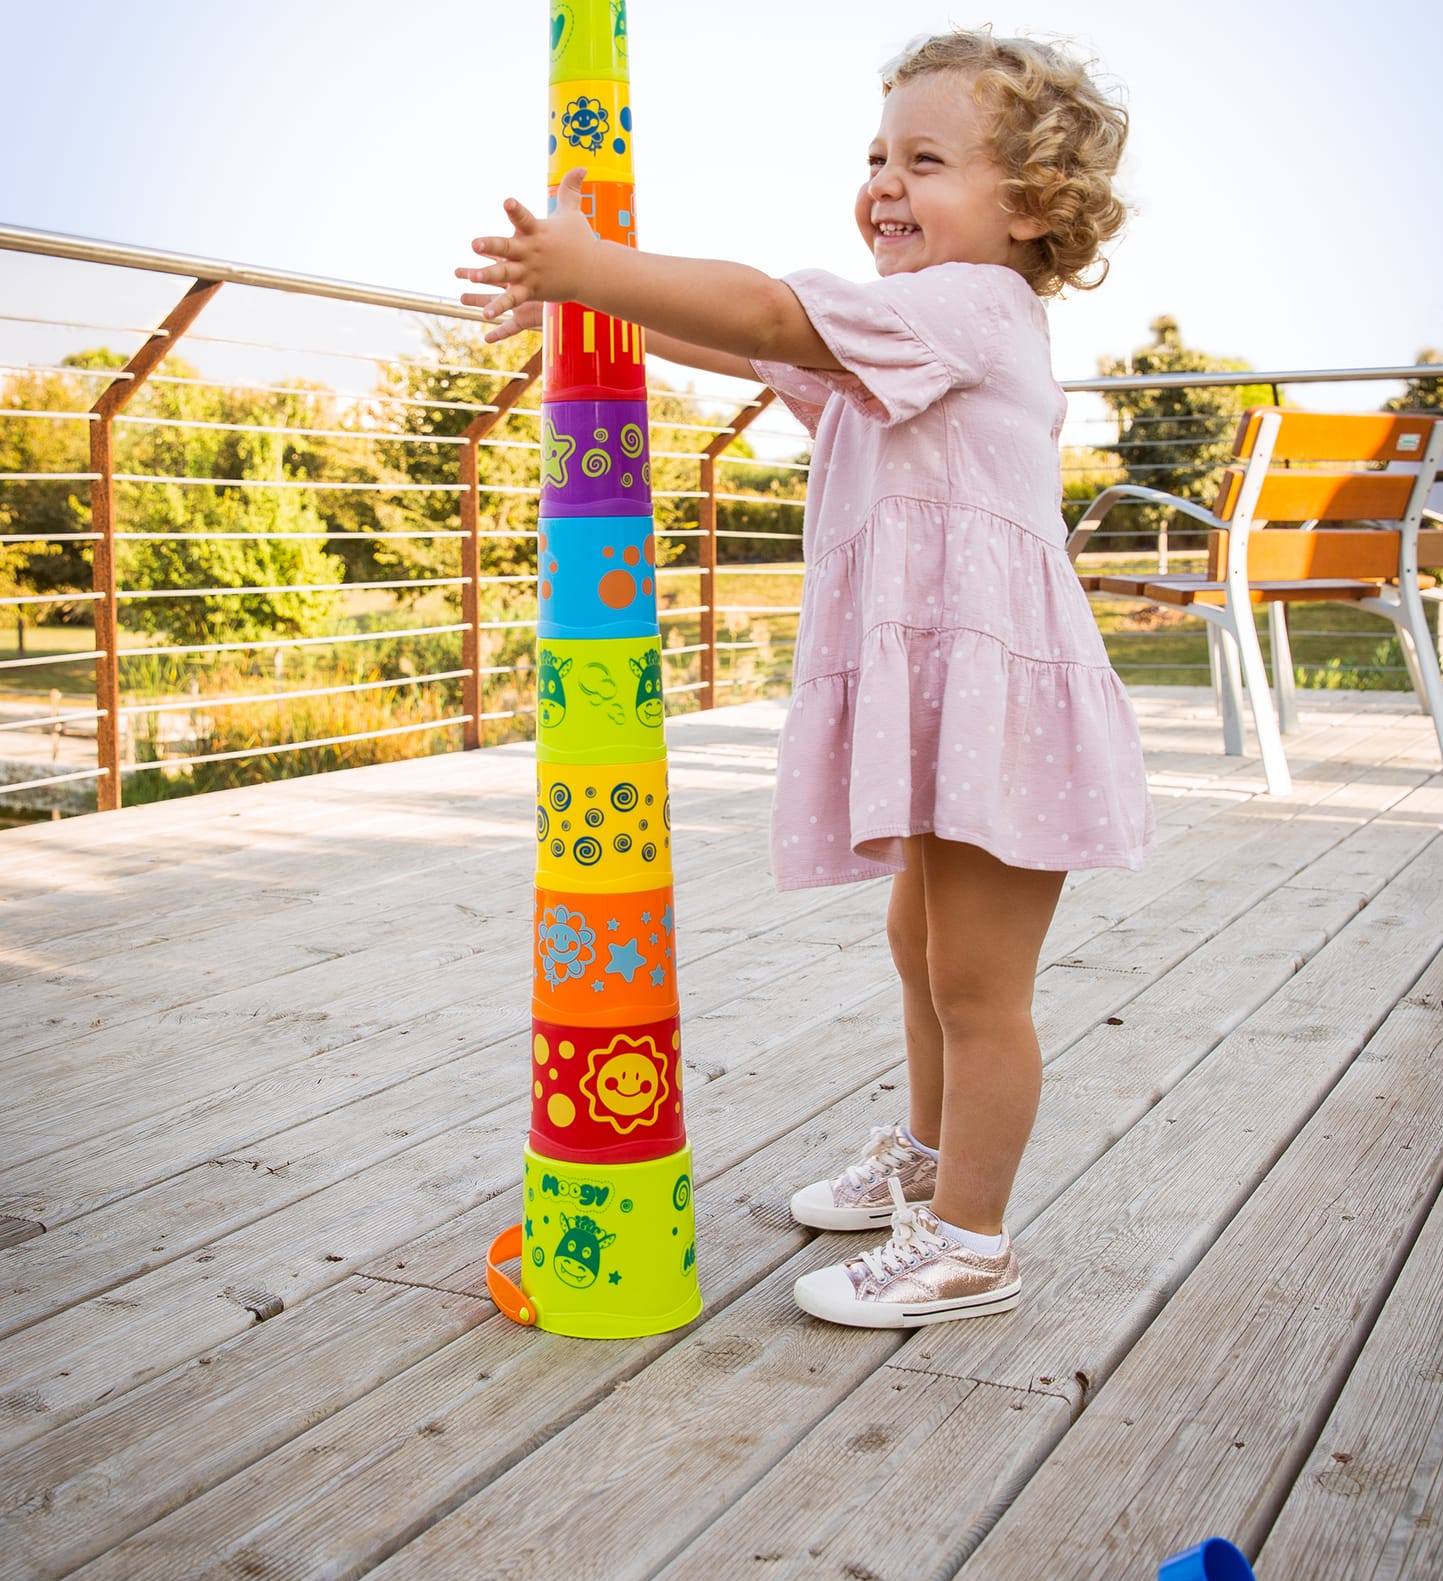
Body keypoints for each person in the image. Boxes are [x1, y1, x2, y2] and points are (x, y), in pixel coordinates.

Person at [459, 27, 1154, 1329]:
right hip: (959, 702)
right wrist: (598, 298)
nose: (886, 179)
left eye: (927, 159)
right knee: (920, 945)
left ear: (1029, 207)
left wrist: (595, 263)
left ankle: (970, 1242)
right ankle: (933, 1160)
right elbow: (752, 345)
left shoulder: (971, 307)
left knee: (980, 988)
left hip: (1005, 711)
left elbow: (781, 311)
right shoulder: (902, 333)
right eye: (877, 153)